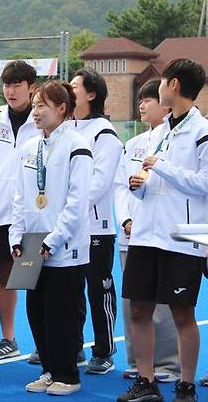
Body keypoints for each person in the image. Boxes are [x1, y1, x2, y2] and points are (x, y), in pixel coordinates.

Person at [119, 59, 208, 402]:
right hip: (146, 234)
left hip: (181, 237)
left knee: (181, 313)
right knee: (138, 309)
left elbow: (205, 186)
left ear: (173, 85)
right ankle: (146, 382)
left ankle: (185, 385)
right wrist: (138, 186)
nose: (158, 87)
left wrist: (162, 167)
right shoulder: (158, 133)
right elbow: (151, 183)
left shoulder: (205, 133)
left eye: (162, 81)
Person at [10, 80, 92, 397]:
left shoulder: (77, 146)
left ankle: (67, 374)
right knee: (37, 310)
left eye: (42, 105)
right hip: (31, 241)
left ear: (61, 109)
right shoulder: (31, 147)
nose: (35, 111)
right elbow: (20, 197)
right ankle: (48, 369)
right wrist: (16, 237)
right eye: (34, 106)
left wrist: (53, 241)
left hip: (64, 247)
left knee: (62, 312)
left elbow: (77, 202)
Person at [113, 79, 180, 383]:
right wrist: (125, 219)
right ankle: (139, 361)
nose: (141, 105)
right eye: (140, 100)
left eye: (148, 100)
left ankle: (167, 363)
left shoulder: (175, 139)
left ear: (166, 104)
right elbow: (120, 186)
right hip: (133, 232)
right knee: (133, 301)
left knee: (162, 304)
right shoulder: (134, 144)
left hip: (162, 232)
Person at [0, 60, 40, 361]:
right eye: (7, 84)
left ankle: (43, 341)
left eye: (17, 84)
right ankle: (8, 339)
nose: (11, 90)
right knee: (4, 274)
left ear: (32, 88)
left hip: (31, 213)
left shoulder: (43, 120)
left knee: (32, 277)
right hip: (0, 209)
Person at [69, 67, 122, 374]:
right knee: (69, 287)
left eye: (74, 86)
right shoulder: (68, 129)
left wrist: (69, 206)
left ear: (91, 94)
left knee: (98, 288)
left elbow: (98, 184)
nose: (69, 89)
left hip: (96, 227)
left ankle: (104, 349)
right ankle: (72, 344)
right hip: (68, 226)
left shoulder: (105, 134)